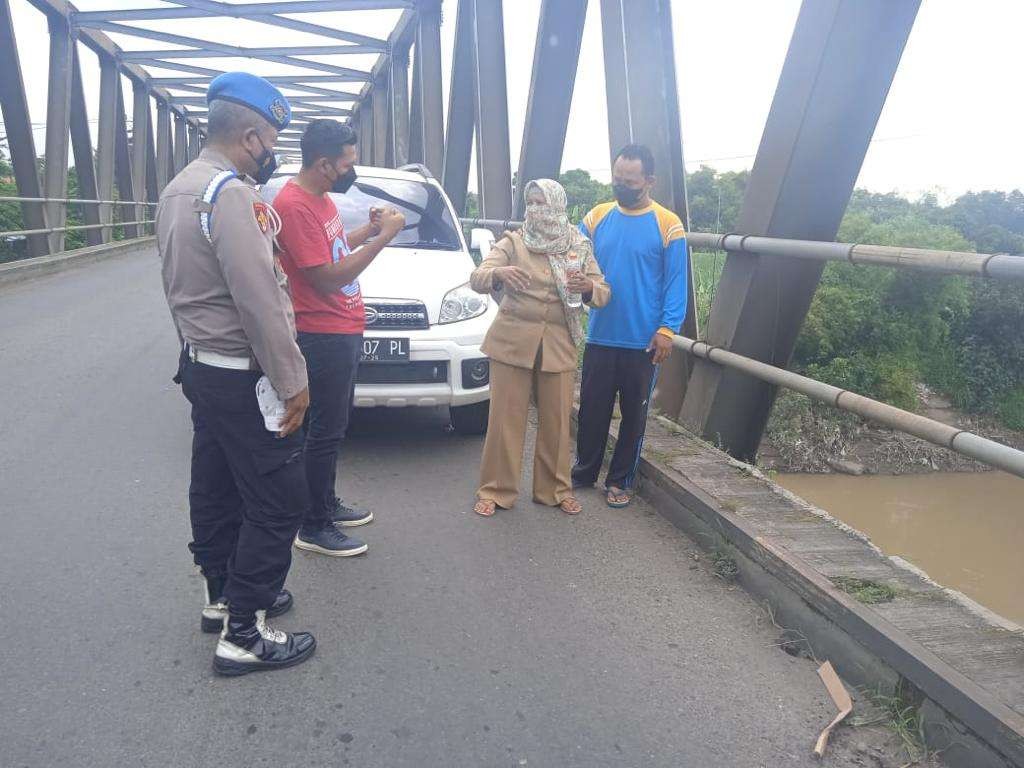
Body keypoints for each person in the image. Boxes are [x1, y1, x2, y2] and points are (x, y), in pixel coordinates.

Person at [157, 72, 316, 675]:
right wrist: (292, 380)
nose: (273, 151)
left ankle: (221, 595)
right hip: (243, 375)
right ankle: (244, 633)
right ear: (251, 136)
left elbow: (179, 292)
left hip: (202, 368)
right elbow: (259, 301)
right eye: (272, 138)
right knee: (279, 500)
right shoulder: (229, 194)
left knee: (217, 483)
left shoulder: (179, 189)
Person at [272, 119, 406, 556]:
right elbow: (327, 277)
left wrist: (365, 233)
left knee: (334, 426)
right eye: (348, 161)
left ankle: (323, 502)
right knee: (324, 431)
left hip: (342, 327)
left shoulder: (321, 199)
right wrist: (384, 239)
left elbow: (328, 248)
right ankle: (313, 525)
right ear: (326, 165)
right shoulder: (294, 205)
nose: (354, 168)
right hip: (321, 331)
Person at [470, 179, 610, 517]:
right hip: (511, 342)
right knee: (505, 419)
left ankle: (554, 490)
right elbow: (478, 276)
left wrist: (588, 286)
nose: (534, 210)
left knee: (557, 421)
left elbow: (604, 292)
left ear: (558, 207)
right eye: (530, 203)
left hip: (558, 344)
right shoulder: (514, 242)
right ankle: (496, 490)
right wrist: (499, 273)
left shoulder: (578, 245)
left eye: (541, 204)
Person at [572, 144, 689, 508]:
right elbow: (568, 253)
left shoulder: (668, 225)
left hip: (642, 340)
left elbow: (676, 284)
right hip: (601, 333)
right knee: (592, 409)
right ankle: (584, 472)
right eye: (617, 179)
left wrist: (667, 330)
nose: (621, 186)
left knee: (634, 416)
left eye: (630, 181)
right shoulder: (595, 218)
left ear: (649, 181)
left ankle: (620, 480)